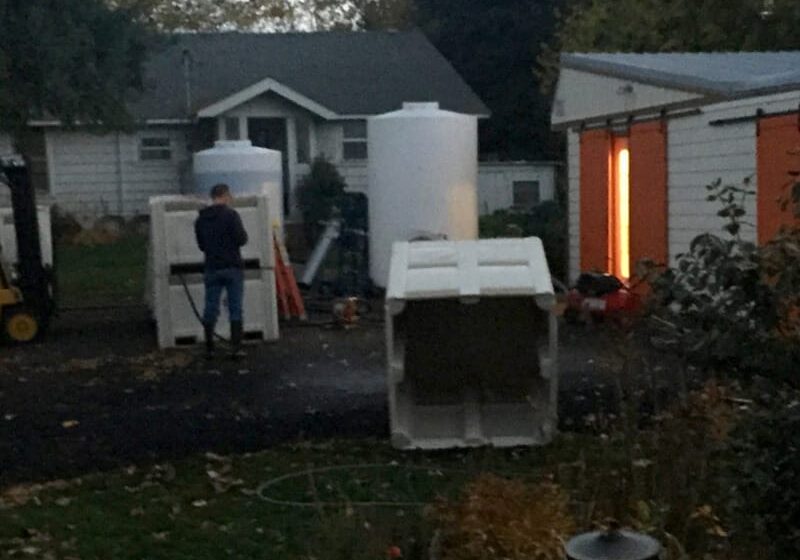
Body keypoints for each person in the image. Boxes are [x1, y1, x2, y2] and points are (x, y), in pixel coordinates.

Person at [195, 183, 248, 359]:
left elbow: (201, 245)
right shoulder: (231, 215)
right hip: (232, 266)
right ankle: (237, 348)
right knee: (235, 308)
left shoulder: (201, 219)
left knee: (211, 307)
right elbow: (242, 239)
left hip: (212, 267)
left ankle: (209, 348)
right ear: (224, 195)